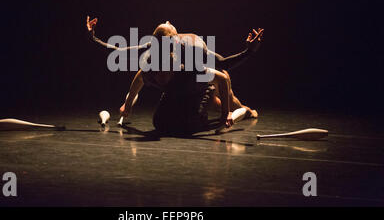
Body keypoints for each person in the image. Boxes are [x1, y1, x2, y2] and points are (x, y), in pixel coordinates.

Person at [86, 16, 263, 135]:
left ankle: (247, 111)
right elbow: (122, 54)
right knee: (161, 122)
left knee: (222, 99)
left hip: (199, 82)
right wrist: (93, 38)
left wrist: (249, 52)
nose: (168, 20)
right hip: (179, 87)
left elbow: (223, 67)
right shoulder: (154, 51)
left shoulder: (193, 48)